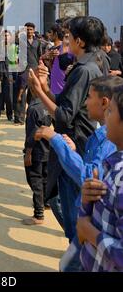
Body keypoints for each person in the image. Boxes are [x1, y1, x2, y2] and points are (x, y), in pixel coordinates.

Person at [29, 16, 104, 241]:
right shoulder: (84, 65)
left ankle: (78, 246)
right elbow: (62, 101)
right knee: (55, 197)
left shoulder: (84, 70)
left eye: (69, 36)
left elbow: (63, 116)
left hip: (76, 141)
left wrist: (39, 91)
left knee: (68, 205)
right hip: (72, 139)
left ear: (80, 41)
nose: (65, 40)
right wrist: (43, 86)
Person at [35, 75, 121, 271]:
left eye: (89, 97)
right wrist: (73, 150)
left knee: (69, 265)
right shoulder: (100, 134)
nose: (85, 102)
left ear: (105, 102)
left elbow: (88, 176)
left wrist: (55, 139)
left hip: (95, 229)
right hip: (88, 225)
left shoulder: (109, 139)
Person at [76, 84, 123, 271]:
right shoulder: (111, 165)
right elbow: (83, 227)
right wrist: (87, 202)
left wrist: (90, 233)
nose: (106, 116)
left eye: (110, 111)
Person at [23, 94, 51, 225]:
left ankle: (38, 214)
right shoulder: (50, 105)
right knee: (45, 179)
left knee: (35, 180)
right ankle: (45, 202)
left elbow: (32, 133)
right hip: (48, 150)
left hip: (36, 151)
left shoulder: (33, 109)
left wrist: (28, 153)